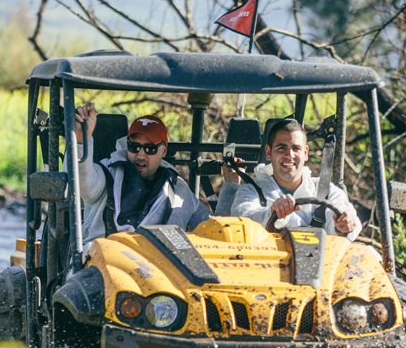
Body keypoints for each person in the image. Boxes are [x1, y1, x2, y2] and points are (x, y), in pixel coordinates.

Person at [74, 102, 212, 243]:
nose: (140, 155)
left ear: (163, 151)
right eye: (134, 147)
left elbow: (212, 228)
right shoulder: (108, 172)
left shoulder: (178, 189)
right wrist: (80, 141)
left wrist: (231, 186)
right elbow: (85, 184)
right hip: (102, 258)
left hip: (154, 262)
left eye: (150, 149)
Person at [230, 118, 361, 240]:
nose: (289, 155)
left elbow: (344, 220)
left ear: (305, 153)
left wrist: (344, 224)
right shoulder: (250, 191)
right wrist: (272, 212)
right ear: (268, 153)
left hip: (323, 261)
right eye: (282, 148)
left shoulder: (328, 191)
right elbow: (241, 221)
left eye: (296, 148)